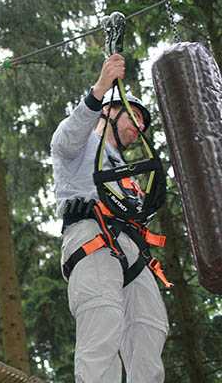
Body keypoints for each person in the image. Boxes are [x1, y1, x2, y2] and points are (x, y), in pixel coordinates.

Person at [50, 54, 169, 382]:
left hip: (132, 249)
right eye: (134, 117)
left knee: (150, 327)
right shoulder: (82, 143)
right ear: (109, 111)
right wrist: (102, 87)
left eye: (144, 124)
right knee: (102, 325)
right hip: (92, 237)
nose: (140, 127)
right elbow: (65, 140)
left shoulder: (124, 168)